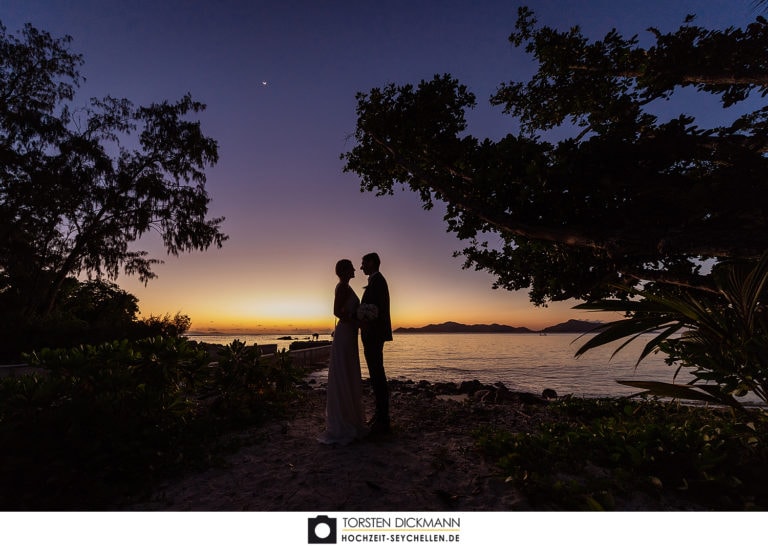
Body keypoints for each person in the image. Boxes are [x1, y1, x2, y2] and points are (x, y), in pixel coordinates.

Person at [318, 259, 368, 445]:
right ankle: (344, 421)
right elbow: (336, 311)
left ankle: (350, 417)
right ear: (345, 270)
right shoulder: (342, 288)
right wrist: (355, 318)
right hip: (345, 333)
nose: (355, 269)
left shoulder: (345, 287)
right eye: (352, 267)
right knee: (345, 371)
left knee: (348, 370)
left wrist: (357, 320)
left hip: (350, 333)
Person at [360, 252, 393, 435]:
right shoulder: (376, 280)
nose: (361, 266)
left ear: (371, 262)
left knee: (377, 375)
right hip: (373, 333)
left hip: (374, 334)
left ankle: (383, 419)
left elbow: (375, 309)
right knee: (376, 374)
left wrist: (360, 317)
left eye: (363, 262)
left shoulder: (378, 281)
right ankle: (380, 415)